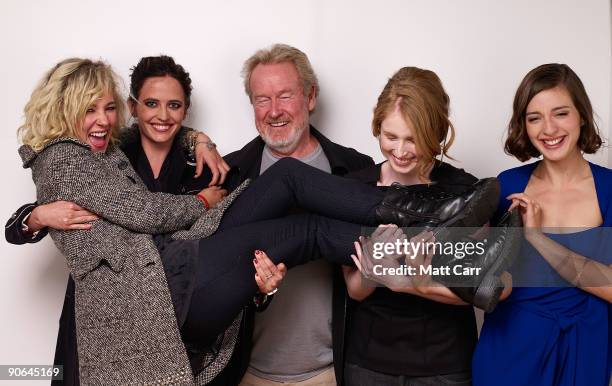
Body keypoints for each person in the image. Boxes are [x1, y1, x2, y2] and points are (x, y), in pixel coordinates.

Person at [18, 58, 497, 385]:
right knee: (306, 225)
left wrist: (198, 141)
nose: (102, 119)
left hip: (187, 263)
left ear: (309, 97)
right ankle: (439, 227)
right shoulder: (72, 157)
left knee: (292, 184)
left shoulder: (130, 148)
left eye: (107, 107)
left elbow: (165, 134)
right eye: (90, 109)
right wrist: (32, 216)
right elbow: (143, 210)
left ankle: (439, 223)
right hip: (160, 289)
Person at [6, 55, 285, 386]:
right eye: (151, 103)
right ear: (133, 107)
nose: (163, 116)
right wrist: (36, 215)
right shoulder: (105, 149)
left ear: (186, 109)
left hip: (179, 320)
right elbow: (16, 226)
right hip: (103, 317)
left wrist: (260, 292)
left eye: (174, 106)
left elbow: (227, 251)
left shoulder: (209, 170)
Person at [341, 66, 513, 386]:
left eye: (414, 139)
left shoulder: (467, 194)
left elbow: (485, 289)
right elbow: (353, 289)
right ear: (377, 126)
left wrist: (405, 281)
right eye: (391, 136)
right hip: (368, 364)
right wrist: (372, 272)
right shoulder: (355, 189)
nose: (401, 151)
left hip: (445, 365)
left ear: (435, 134)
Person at [230, 43, 373, 386]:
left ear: (310, 98)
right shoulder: (231, 172)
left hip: (330, 372)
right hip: (246, 373)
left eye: (285, 95)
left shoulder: (354, 169)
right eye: (262, 99)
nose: (274, 110)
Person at [472, 63, 612, 386]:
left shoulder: (607, 190)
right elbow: (493, 281)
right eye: (534, 118)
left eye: (560, 113)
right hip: (511, 352)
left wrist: (537, 238)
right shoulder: (507, 186)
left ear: (581, 115)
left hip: (584, 349)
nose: (548, 129)